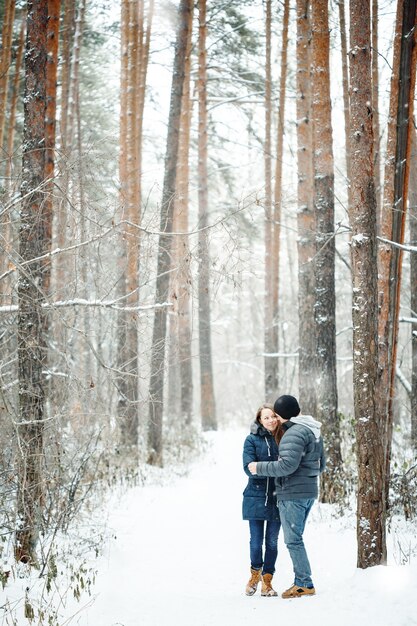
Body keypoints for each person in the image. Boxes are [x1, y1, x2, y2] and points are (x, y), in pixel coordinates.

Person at [248, 394, 326, 599]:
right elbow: (321, 465)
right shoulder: (313, 429)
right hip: (308, 491)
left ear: (282, 414)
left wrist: (259, 467)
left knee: (293, 540)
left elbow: (286, 466)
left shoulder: (293, 433)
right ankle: (303, 581)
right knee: (296, 538)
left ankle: (304, 583)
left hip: (293, 493)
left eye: (277, 414)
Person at [242, 403, 282, 597]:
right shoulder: (251, 440)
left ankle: (267, 581)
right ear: (259, 420)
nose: (270, 420)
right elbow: (248, 467)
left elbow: (288, 467)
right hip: (255, 497)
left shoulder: (283, 437)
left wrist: (262, 467)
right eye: (266, 417)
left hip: (278, 497)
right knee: (256, 542)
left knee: (272, 542)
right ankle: (254, 574)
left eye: (273, 416)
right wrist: (274, 469)